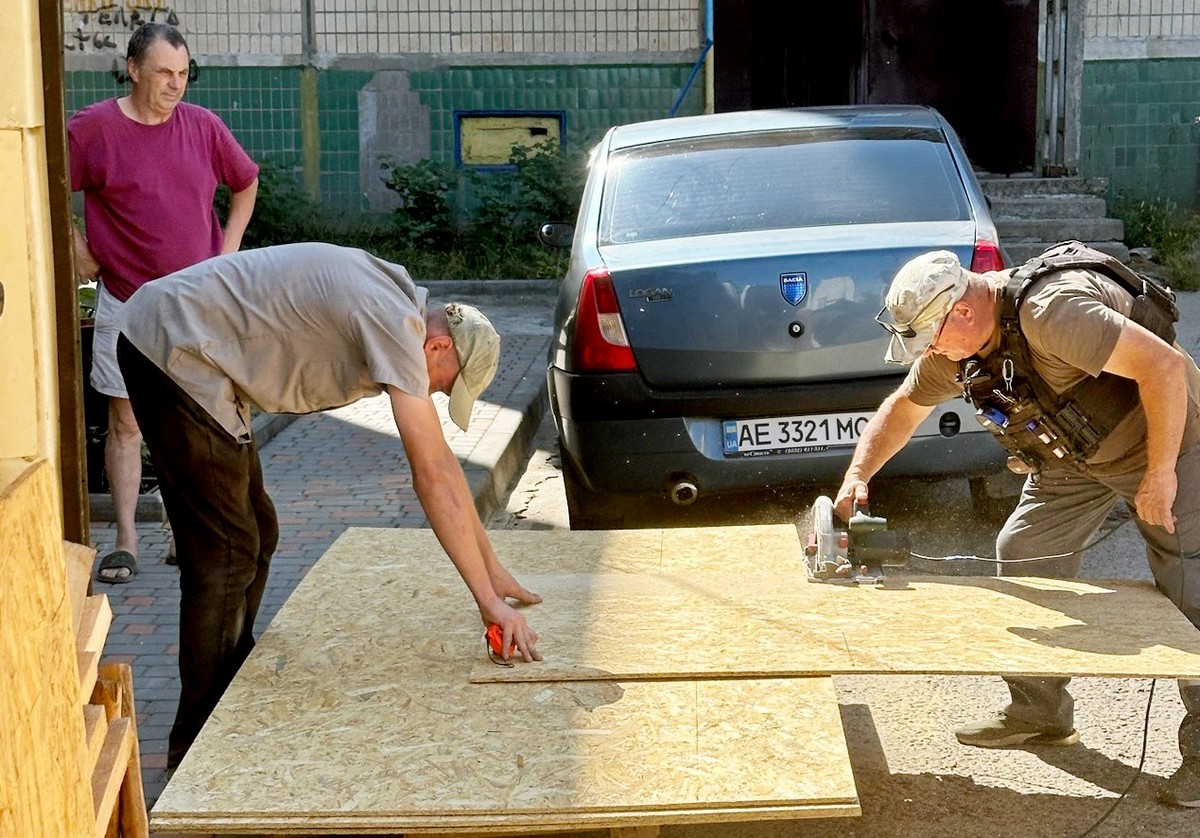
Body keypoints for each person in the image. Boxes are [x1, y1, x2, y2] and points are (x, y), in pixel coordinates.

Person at [114, 241, 543, 769]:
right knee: (226, 551)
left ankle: (230, 680)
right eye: (443, 388)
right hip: (172, 348)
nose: (430, 396)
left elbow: (448, 469)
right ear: (437, 349)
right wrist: (486, 603)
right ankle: (197, 744)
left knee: (257, 534)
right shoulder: (395, 323)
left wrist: (494, 573)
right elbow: (430, 478)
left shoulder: (401, 301)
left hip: (194, 352)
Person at [833, 246, 1200, 808]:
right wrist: (859, 474)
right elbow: (904, 406)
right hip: (1078, 456)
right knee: (1025, 549)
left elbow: (1166, 367)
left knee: (1188, 588)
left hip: (1168, 441)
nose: (929, 352)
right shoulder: (958, 347)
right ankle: (1040, 712)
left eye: (930, 337)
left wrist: (1160, 474)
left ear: (960, 311)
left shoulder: (1053, 313)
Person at [70, 22, 260, 584]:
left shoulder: (203, 126)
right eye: (163, 74)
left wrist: (226, 252)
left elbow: (245, 183)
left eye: (183, 74)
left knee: (200, 420)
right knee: (127, 420)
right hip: (126, 301)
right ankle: (126, 541)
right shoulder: (93, 129)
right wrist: (75, 239)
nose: (175, 86)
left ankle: (185, 533)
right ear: (133, 69)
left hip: (197, 304)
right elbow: (44, 176)